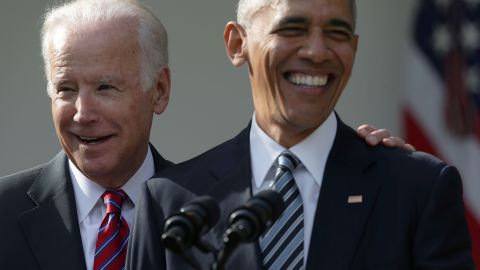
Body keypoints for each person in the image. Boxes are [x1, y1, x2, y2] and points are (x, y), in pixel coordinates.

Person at [129, 0, 475, 269]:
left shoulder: (416, 189)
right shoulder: (170, 200)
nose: (317, 51)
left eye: (337, 33)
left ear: (354, 50)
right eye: (292, 29)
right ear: (237, 44)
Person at [0, 0, 172, 269]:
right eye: (66, 89)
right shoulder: (4, 214)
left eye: (105, 87)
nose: (82, 114)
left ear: (159, 90)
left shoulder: (215, 210)